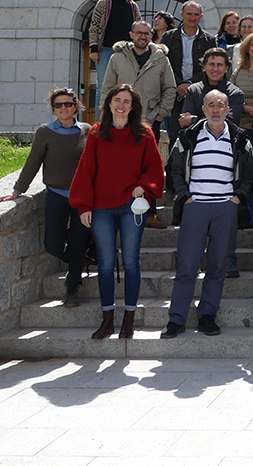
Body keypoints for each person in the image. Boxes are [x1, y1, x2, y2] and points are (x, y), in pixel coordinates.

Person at [69, 84, 165, 340]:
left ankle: (129, 320)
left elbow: (154, 169)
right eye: (117, 100)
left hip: (131, 207)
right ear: (109, 103)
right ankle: (107, 320)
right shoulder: (97, 133)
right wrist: (83, 205)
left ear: (133, 107)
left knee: (131, 262)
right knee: (106, 264)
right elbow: (86, 170)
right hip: (101, 208)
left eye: (126, 102)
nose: (121, 105)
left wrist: (143, 187)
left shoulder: (144, 134)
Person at [162, 90, 253, 338]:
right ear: (203, 110)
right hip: (196, 207)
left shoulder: (239, 138)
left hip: (226, 207)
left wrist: (238, 198)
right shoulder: (188, 137)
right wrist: (186, 197)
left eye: (221, 105)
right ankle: (177, 319)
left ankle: (207, 316)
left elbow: (249, 173)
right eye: (211, 105)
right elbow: (174, 170)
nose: (216, 109)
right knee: (187, 265)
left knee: (217, 266)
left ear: (228, 110)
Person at [0, 87, 91, 307]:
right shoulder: (44, 132)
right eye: (58, 105)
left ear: (76, 106)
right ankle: (80, 259)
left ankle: (72, 288)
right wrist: (17, 190)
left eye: (68, 104)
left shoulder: (87, 130)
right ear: (53, 108)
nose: (63, 108)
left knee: (77, 241)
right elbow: (33, 162)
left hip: (82, 197)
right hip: (56, 195)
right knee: (52, 245)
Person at [101, 19, 178, 229]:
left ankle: (150, 213)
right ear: (131, 34)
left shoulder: (160, 59)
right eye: (139, 33)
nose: (143, 36)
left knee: (148, 167)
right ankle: (120, 209)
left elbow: (170, 88)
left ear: (151, 35)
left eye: (147, 33)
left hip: (148, 122)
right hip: (120, 121)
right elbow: (107, 89)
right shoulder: (117, 58)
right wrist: (106, 118)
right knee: (121, 167)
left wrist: (161, 114)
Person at [160, 0, 217, 137]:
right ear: (182, 15)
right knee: (175, 134)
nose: (192, 17)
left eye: (196, 14)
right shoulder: (168, 37)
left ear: (201, 16)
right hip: (173, 93)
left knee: (198, 133)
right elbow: (163, 64)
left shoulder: (209, 40)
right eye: (189, 14)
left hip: (199, 92)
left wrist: (190, 84)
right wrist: (179, 84)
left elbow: (211, 66)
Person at [88, 0, 141, 115]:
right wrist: (93, 48)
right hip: (105, 49)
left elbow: (138, 28)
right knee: (103, 87)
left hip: (126, 52)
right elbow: (94, 26)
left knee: (126, 87)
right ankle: (101, 122)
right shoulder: (104, 3)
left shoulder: (133, 6)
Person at [178, 47, 244, 130]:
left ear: (226, 68)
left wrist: (194, 119)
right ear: (204, 67)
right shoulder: (193, 91)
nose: (215, 69)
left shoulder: (235, 93)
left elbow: (229, 123)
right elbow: (185, 123)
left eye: (219, 65)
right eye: (211, 64)